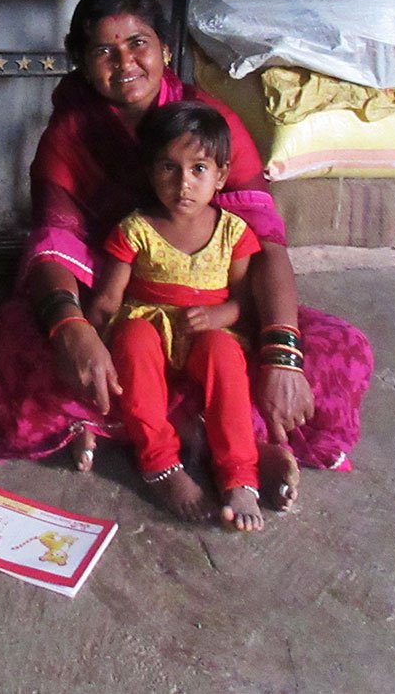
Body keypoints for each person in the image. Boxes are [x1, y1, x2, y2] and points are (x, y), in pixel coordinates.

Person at [0, 0, 374, 510]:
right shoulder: (69, 137)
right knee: (20, 346)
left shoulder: (214, 126)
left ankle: (189, 438)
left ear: (164, 48)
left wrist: (282, 355)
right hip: (122, 307)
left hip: (210, 315)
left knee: (333, 352)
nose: (126, 63)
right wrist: (72, 328)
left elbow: (264, 244)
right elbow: (54, 245)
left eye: (138, 43)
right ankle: (215, 438)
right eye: (104, 51)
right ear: (79, 62)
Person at [87, 101, 266, 530]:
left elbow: (246, 302)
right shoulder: (135, 229)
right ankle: (161, 465)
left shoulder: (233, 233)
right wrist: (89, 337)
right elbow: (109, 299)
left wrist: (221, 314)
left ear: (221, 175)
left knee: (223, 354)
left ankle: (240, 475)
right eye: (168, 168)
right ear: (150, 172)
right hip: (148, 332)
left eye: (199, 169)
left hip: (206, 338)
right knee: (132, 337)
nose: (183, 183)